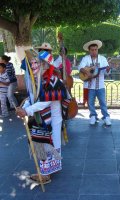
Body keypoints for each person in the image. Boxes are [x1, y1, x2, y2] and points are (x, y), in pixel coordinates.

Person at [16, 49, 71, 184]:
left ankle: (46, 174)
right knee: (43, 144)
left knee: (49, 144)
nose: (33, 66)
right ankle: (49, 169)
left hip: (52, 119)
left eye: (36, 63)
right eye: (31, 63)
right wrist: (23, 108)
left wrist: (27, 111)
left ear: (45, 65)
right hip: (41, 118)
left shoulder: (52, 80)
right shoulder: (36, 80)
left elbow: (44, 102)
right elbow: (32, 98)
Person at [78, 40, 111, 125]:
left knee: (103, 102)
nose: (94, 51)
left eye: (96, 49)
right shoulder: (86, 58)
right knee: (90, 102)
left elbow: (107, 72)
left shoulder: (103, 59)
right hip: (89, 86)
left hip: (100, 85)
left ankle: (106, 117)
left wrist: (108, 69)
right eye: (92, 50)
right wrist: (87, 72)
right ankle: (93, 116)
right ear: (89, 50)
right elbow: (80, 68)